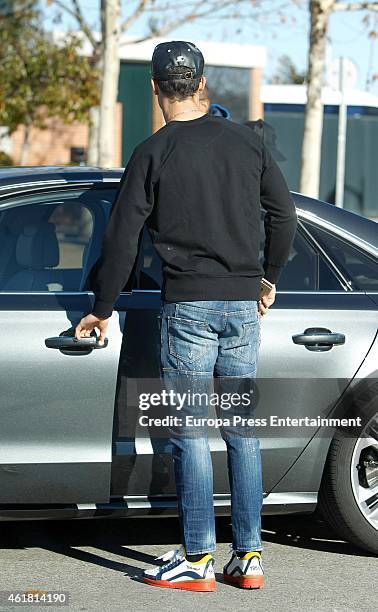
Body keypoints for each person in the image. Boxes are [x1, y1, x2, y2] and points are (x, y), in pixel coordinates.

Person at [75, 40, 297, 592]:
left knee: (193, 435)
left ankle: (197, 558)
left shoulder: (153, 152)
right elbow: (284, 216)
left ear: (155, 89)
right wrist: (266, 278)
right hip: (243, 305)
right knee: (241, 433)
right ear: (203, 85)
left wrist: (102, 308)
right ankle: (248, 558)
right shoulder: (249, 143)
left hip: (189, 307)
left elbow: (122, 237)